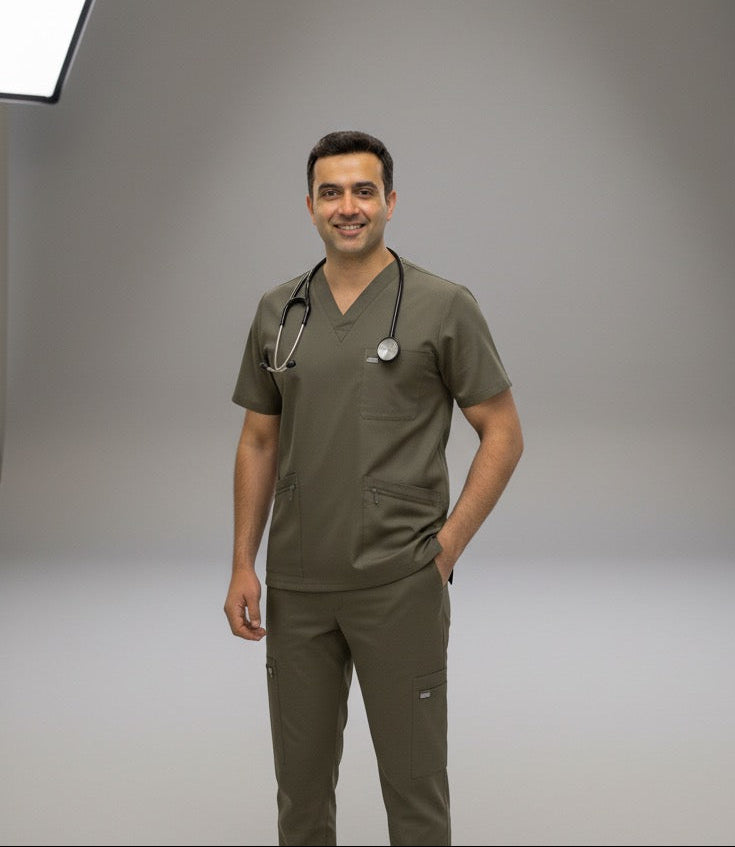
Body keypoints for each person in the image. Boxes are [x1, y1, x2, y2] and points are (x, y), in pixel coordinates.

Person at [224, 130, 523, 846]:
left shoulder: (442, 305)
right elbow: (258, 438)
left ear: (390, 201)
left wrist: (443, 550)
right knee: (299, 796)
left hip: (399, 583)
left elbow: (503, 433)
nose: (347, 206)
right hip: (297, 586)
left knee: (414, 796)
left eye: (363, 191)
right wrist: (243, 561)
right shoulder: (279, 311)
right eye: (331, 192)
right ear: (309, 206)